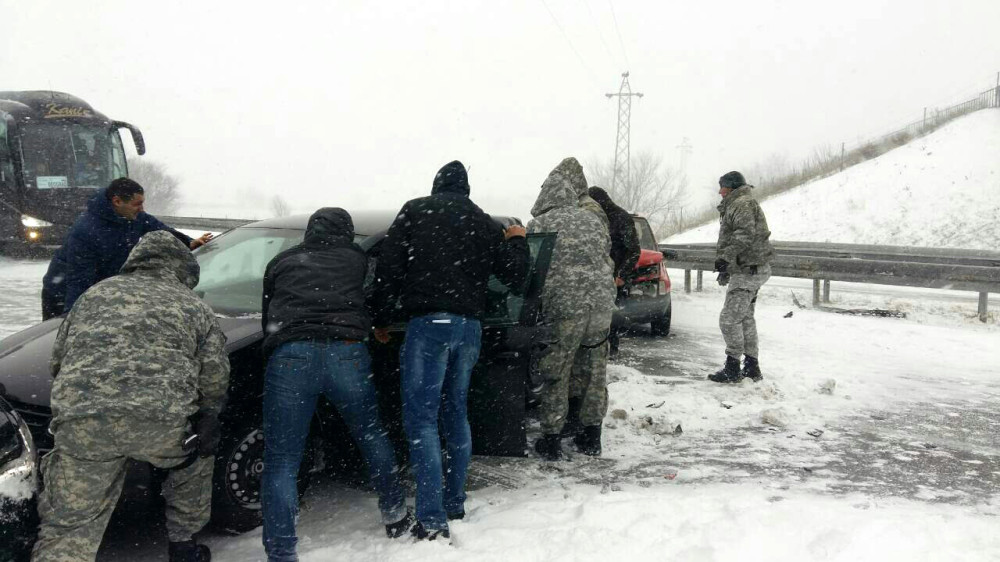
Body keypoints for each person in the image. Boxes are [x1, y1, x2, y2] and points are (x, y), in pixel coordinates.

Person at [32, 231, 230, 562]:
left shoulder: (95, 294)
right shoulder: (194, 306)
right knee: (195, 458)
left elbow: (59, 360)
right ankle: (183, 543)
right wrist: (208, 415)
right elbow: (214, 376)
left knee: (70, 521)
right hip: (161, 424)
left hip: (85, 423)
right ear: (183, 266)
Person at [370, 160, 529, 541]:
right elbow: (515, 276)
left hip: (428, 326)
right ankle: (454, 502)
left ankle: (431, 519)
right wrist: (518, 240)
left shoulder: (415, 211)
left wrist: (380, 316)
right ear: (466, 190)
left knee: (421, 421)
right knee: (456, 413)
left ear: (436, 186)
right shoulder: (484, 222)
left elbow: (388, 268)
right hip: (469, 328)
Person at [259, 208, 412, 561]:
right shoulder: (357, 259)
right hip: (347, 352)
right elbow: (376, 296)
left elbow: (269, 315)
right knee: (371, 435)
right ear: (347, 231)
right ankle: (395, 515)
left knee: (282, 459)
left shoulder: (282, 261)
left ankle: (281, 551)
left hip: (291, 355)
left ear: (310, 229)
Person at [528, 158, 616, 461]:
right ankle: (591, 436)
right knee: (594, 370)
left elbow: (532, 270)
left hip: (564, 307)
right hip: (600, 305)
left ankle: (551, 438)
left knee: (557, 369)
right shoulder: (592, 219)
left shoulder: (540, 224)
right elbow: (606, 257)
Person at [41, 177, 212, 320]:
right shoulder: (86, 231)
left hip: (102, 289)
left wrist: (188, 242)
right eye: (137, 204)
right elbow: (79, 280)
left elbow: (159, 229)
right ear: (117, 201)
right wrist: (71, 316)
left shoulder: (133, 216)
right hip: (62, 293)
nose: (142, 209)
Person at [709, 171, 774, 384]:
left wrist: (725, 258)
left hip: (749, 271)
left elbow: (744, 235)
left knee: (729, 319)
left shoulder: (741, 203)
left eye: (723, 187)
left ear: (732, 187)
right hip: (750, 268)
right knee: (745, 318)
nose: (720, 191)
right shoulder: (738, 203)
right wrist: (726, 268)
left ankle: (733, 367)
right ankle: (752, 367)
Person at [587, 186, 641, 357]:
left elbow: (634, 250)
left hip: (615, 275)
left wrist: (622, 275)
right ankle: (597, 348)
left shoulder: (621, 217)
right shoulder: (595, 217)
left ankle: (611, 348)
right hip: (598, 274)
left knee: (611, 314)